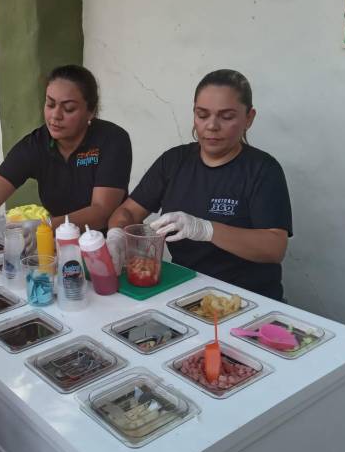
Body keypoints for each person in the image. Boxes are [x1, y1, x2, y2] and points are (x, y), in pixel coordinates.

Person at [106, 69, 292, 300]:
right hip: (184, 289)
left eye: (226, 117)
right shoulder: (174, 161)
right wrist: (116, 235)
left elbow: (274, 248)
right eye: (202, 115)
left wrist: (205, 229)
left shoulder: (263, 169)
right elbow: (128, 211)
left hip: (248, 298)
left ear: (249, 118)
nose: (212, 126)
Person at [0, 65, 133, 275]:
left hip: (110, 251)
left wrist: (47, 225)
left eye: (68, 108)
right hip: (63, 250)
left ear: (91, 111)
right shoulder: (35, 145)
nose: (55, 115)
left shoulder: (112, 140)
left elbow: (101, 211)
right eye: (50, 104)